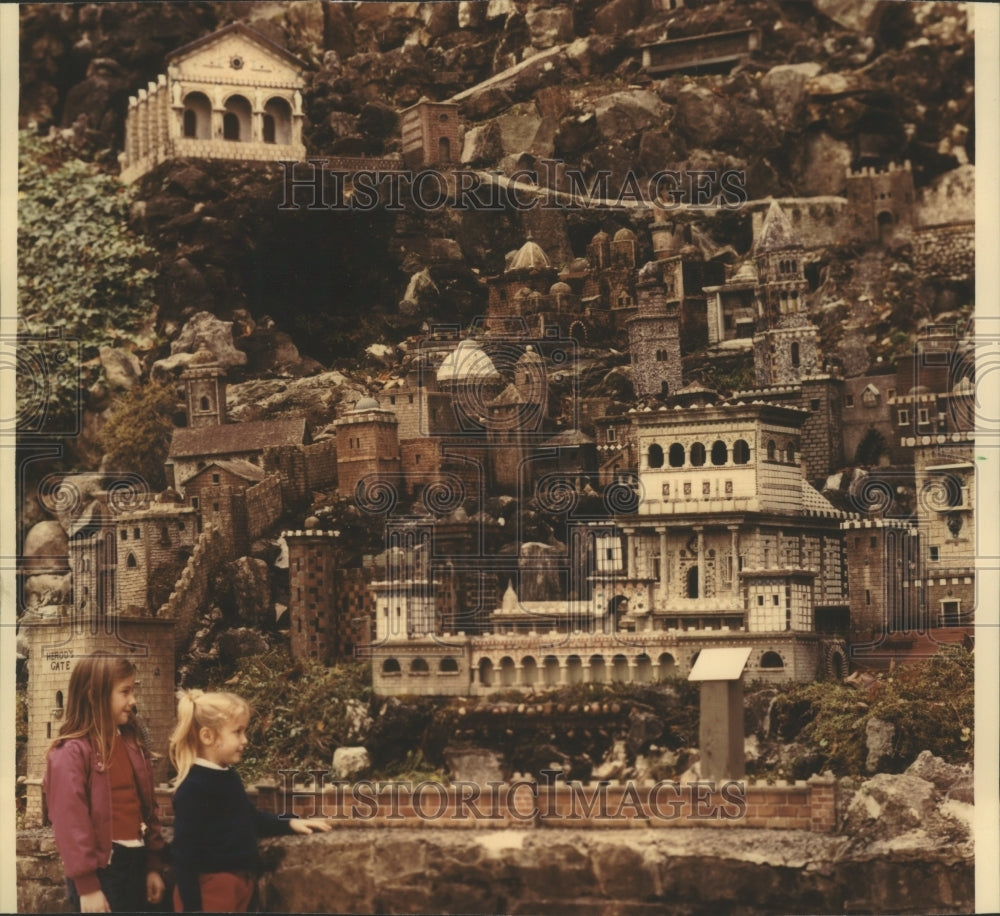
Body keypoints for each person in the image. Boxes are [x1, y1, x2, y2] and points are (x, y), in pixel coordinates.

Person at [168, 690, 332, 912]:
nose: (244, 740)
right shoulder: (193, 788)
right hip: (211, 892)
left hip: (239, 886)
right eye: (237, 732)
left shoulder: (228, 776)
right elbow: (184, 854)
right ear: (207, 736)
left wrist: (289, 823)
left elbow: (249, 817)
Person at [44, 654, 167, 913]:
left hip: (137, 863)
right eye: (125, 692)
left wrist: (153, 866)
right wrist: (87, 887)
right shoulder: (71, 753)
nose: (133, 701)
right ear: (94, 695)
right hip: (102, 874)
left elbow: (147, 804)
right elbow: (71, 824)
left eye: (133, 691)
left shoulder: (132, 741)